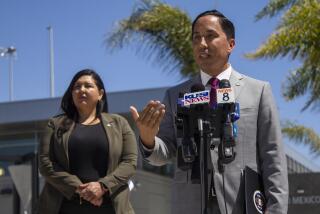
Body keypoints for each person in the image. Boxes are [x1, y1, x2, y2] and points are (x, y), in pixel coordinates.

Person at [130, 10, 288, 214]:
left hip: (241, 204)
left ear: (231, 44)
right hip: (189, 205)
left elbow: (272, 156)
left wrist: (276, 210)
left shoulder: (258, 91)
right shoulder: (175, 95)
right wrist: (148, 138)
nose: (202, 44)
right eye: (197, 38)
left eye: (210, 36)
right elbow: (164, 153)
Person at [38, 69, 137, 214]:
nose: (81, 90)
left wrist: (102, 186)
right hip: (64, 208)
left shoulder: (119, 123)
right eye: (77, 87)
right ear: (71, 94)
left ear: (100, 94)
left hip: (110, 207)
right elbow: (45, 164)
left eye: (88, 86)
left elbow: (130, 162)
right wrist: (81, 189)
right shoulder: (55, 124)